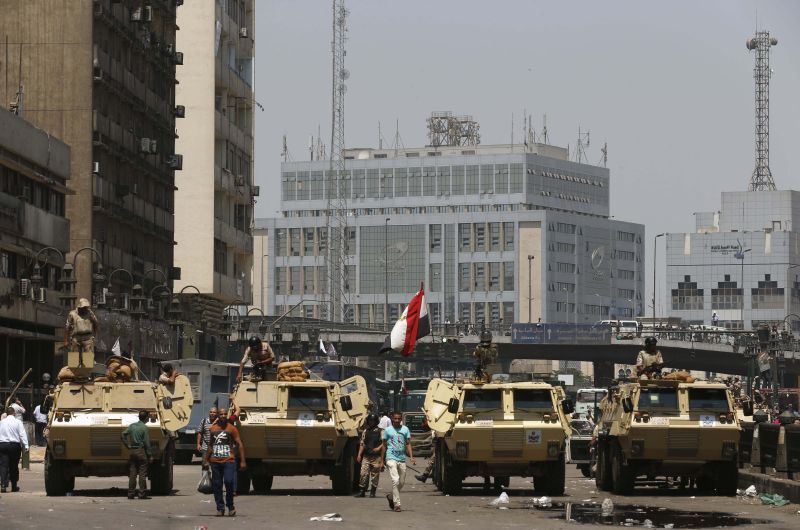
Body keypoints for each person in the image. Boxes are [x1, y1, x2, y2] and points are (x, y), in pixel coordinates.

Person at [203, 408, 246, 517]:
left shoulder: (232, 428)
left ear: (227, 415)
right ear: (218, 415)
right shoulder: (213, 428)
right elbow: (210, 446)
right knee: (217, 485)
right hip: (215, 462)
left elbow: (239, 444)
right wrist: (206, 460)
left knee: (229, 481)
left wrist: (243, 461)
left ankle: (230, 506)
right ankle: (220, 508)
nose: (223, 415)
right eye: (221, 414)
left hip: (229, 461)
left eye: (225, 414)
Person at [382, 412, 415, 512]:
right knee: (395, 480)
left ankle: (391, 497)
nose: (397, 420)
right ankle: (397, 505)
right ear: (392, 419)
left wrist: (411, 457)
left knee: (401, 482)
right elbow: (384, 445)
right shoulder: (387, 430)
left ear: (401, 419)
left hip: (402, 458)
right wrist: (381, 460)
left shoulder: (405, 429)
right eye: (395, 418)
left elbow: (408, 444)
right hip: (390, 457)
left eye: (398, 419)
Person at [121, 410, 152, 499]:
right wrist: (150, 455)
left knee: (132, 474)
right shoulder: (144, 428)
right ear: (146, 418)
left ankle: (130, 494)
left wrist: (128, 445)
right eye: (148, 417)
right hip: (141, 451)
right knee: (142, 474)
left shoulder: (132, 426)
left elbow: (123, 434)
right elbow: (147, 443)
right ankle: (142, 494)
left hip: (132, 451)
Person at [0, 406, 29, 493]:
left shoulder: (1, 422)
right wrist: (26, 445)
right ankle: (14, 486)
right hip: (14, 446)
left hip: (3, 445)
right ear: (14, 413)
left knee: (3, 466)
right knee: (14, 466)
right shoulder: (18, 422)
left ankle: (3, 485)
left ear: (7, 413)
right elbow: (22, 434)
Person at [354, 414, 383, 498]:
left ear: (376, 421)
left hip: (376, 457)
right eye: (370, 420)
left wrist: (378, 448)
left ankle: (373, 491)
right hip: (366, 456)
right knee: (363, 474)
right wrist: (359, 455)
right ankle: (362, 491)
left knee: (375, 475)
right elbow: (362, 443)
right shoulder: (365, 431)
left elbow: (384, 443)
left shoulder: (380, 431)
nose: (371, 422)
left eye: (373, 420)